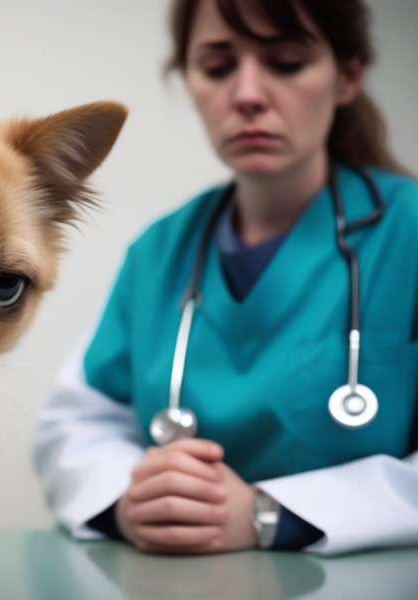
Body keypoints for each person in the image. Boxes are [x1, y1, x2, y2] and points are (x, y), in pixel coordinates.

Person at [34, 0, 418, 556]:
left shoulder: (407, 234)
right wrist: (132, 500)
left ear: (348, 76)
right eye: (217, 68)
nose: (247, 95)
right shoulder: (158, 252)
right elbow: (76, 426)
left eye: (286, 62)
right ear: (189, 80)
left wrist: (268, 515)